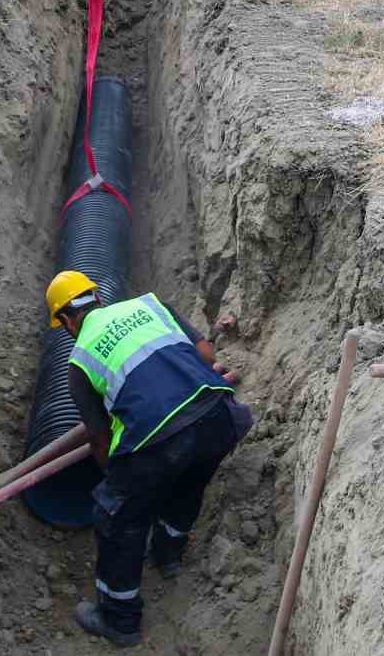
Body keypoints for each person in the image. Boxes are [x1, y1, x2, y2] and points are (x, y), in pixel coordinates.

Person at [47, 270, 253, 647]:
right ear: (97, 298)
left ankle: (119, 620)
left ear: (66, 321)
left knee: (118, 517)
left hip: (158, 439)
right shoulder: (150, 304)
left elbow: (100, 437)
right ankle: (168, 554)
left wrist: (121, 487)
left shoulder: (79, 361)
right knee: (190, 479)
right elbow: (206, 354)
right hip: (218, 415)